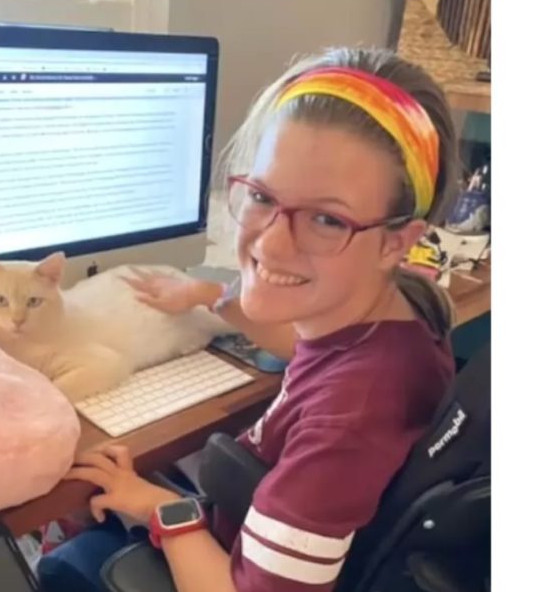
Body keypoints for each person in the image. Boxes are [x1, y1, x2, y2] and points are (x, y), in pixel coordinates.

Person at [42, 46, 458, 592]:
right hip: (241, 525)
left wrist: (160, 509)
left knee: (66, 561)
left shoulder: (348, 422)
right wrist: (208, 296)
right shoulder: (396, 320)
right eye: (262, 196)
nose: (271, 242)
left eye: (327, 219)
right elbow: (306, 344)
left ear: (396, 242)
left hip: (224, 565)